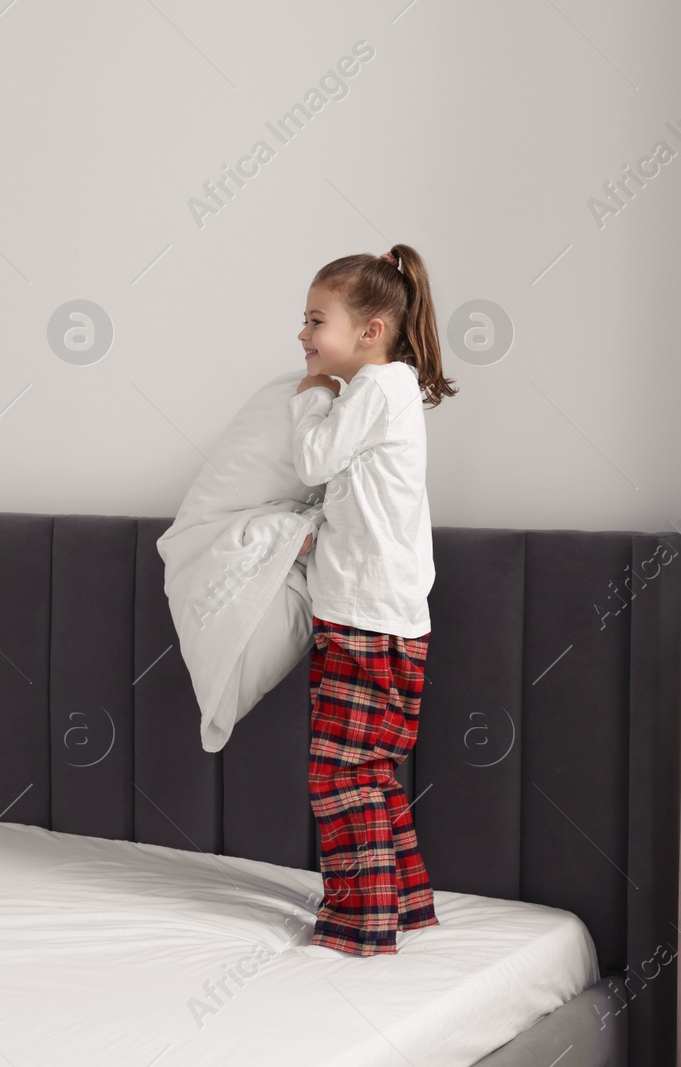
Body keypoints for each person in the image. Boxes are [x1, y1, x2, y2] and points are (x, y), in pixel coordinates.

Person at [290, 244, 457, 956]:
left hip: (364, 621)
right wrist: (314, 540)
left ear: (372, 329)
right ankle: (406, 904)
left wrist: (309, 394)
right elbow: (359, 500)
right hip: (383, 617)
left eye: (315, 320)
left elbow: (311, 460)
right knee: (373, 772)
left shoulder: (375, 386)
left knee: (341, 773)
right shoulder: (389, 391)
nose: (303, 336)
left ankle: (362, 922)